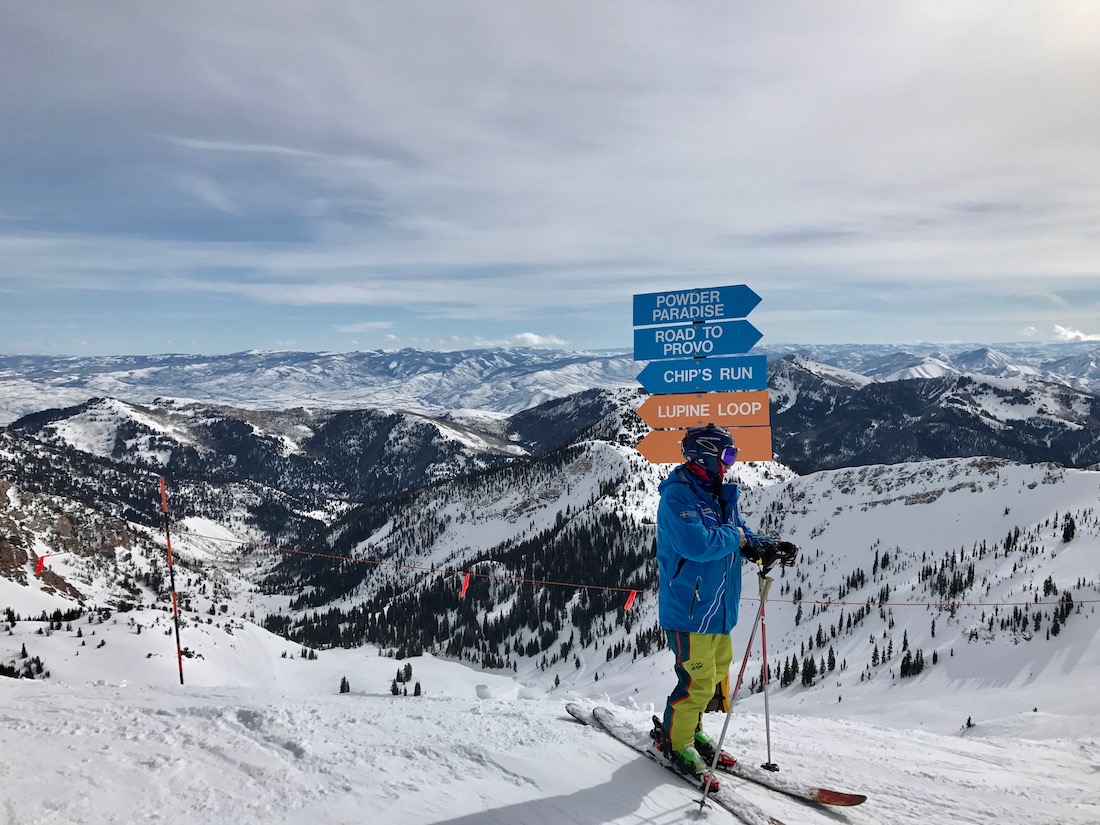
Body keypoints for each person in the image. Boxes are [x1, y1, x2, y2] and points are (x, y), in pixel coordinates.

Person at [652, 423, 797, 787]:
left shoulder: (717, 493)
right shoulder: (678, 497)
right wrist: (737, 537)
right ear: (706, 455)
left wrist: (762, 545)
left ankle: (693, 731)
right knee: (695, 682)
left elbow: (739, 531)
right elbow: (697, 545)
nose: (732, 462)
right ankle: (676, 740)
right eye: (728, 455)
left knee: (714, 676)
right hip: (691, 611)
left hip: (718, 610)